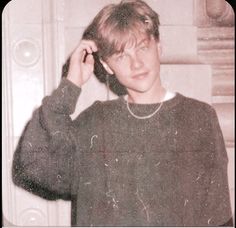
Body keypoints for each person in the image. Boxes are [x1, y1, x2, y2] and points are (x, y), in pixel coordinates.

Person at [12, 0, 233, 226]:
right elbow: (33, 166)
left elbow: (217, 215)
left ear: (159, 46)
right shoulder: (95, 122)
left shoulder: (198, 117)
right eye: (120, 56)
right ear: (107, 67)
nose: (136, 64)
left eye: (142, 48)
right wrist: (70, 85)